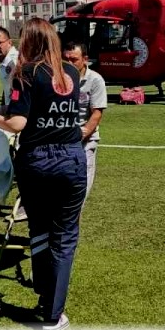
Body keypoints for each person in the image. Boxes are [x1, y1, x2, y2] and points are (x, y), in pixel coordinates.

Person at [0, 18, 85, 330]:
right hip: (71, 158)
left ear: (29, 41)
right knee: (65, 237)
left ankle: (46, 300)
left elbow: (17, 123)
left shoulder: (26, 73)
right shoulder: (72, 71)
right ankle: (52, 310)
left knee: (40, 231)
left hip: (37, 160)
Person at [62, 40, 107, 208]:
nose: (69, 63)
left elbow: (97, 113)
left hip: (85, 142)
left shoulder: (95, 80)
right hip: (62, 143)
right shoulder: (58, 79)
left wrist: (80, 135)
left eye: (74, 59)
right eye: (66, 59)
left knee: (78, 196)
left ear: (85, 59)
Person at [0, 26, 19, 111]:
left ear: (9, 42)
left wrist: (14, 105)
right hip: (11, 110)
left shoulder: (15, 61)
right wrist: (2, 105)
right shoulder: (5, 60)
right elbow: (7, 88)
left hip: (18, 112)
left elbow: (19, 89)